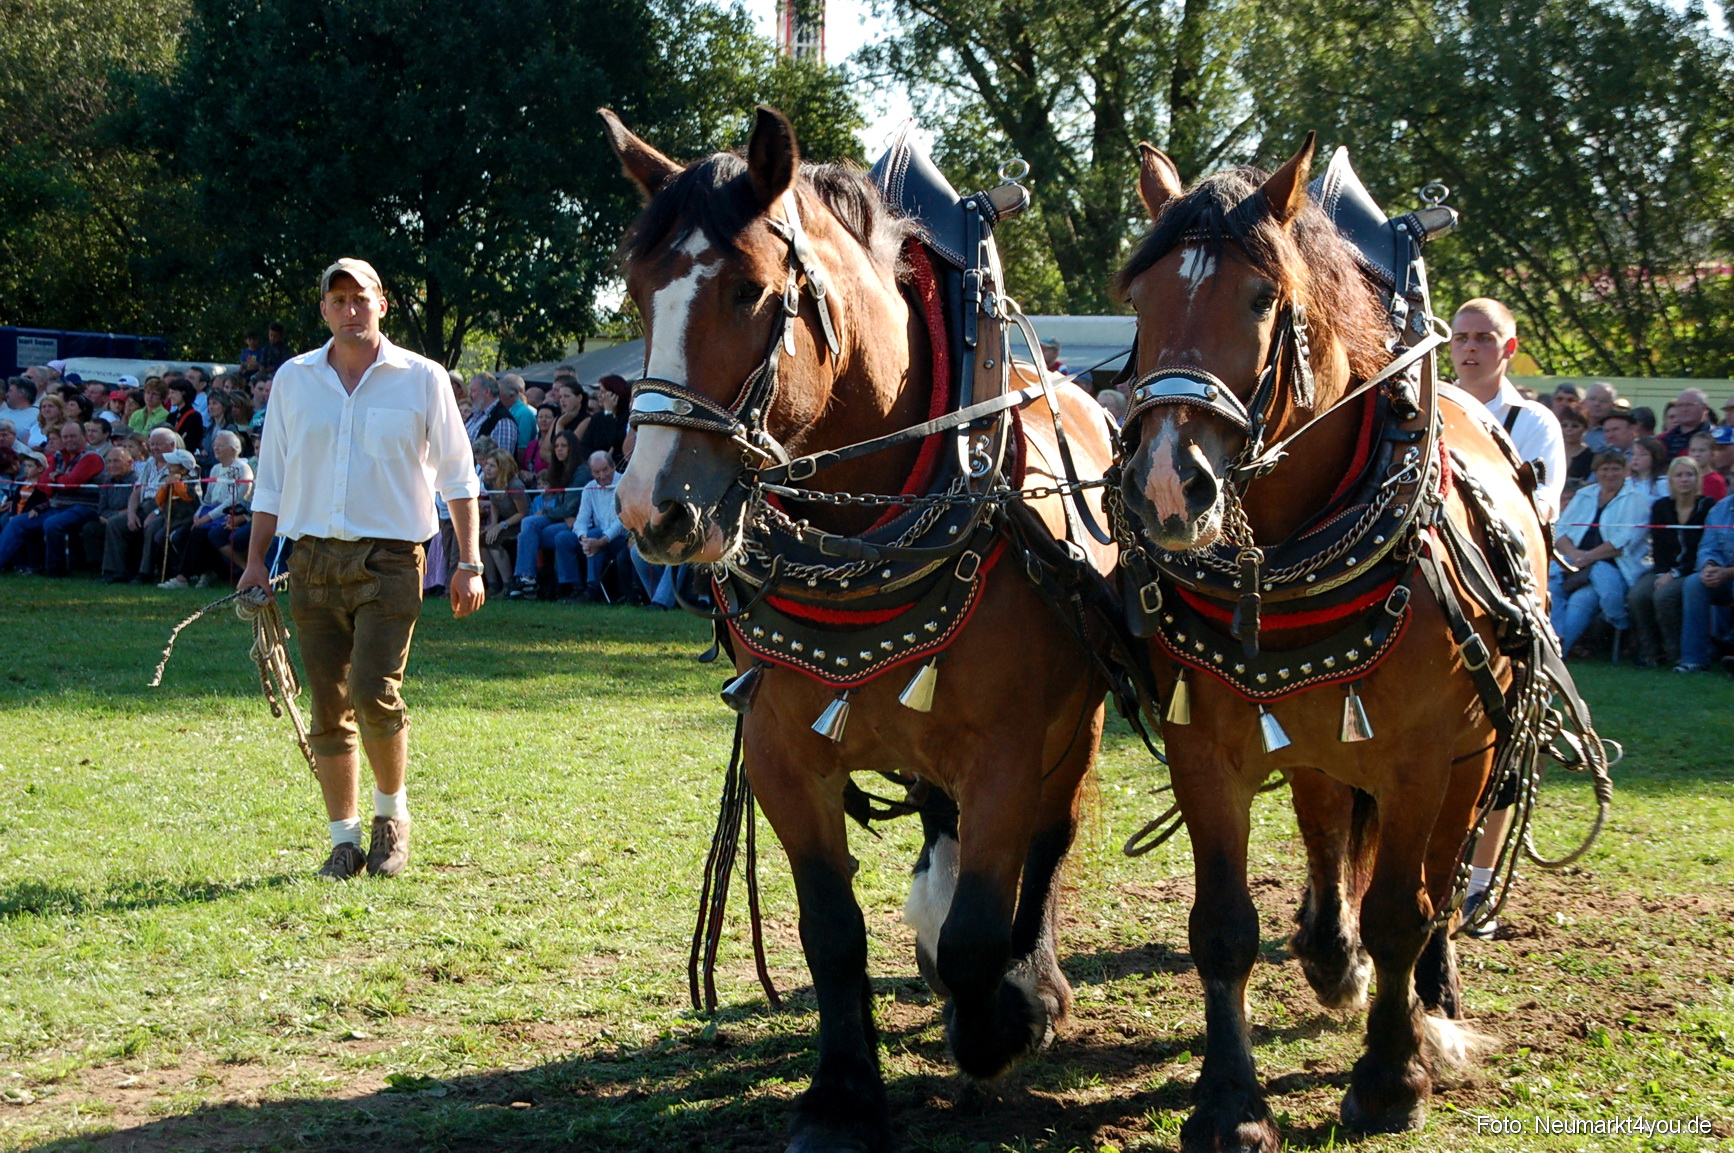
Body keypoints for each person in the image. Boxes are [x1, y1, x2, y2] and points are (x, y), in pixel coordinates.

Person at [239, 257, 484, 881]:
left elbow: (459, 476)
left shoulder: (423, 378)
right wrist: (253, 563)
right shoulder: (294, 380)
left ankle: (391, 821)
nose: (351, 309)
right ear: (323, 309)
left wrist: (470, 563)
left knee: (374, 692)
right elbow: (271, 480)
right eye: (338, 299)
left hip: (392, 559)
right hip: (311, 559)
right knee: (327, 704)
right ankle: (343, 839)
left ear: (382, 305)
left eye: (362, 298)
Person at [1449, 299, 1566, 519]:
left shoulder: (1534, 420)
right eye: (1461, 338)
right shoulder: (1426, 412)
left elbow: (1543, 502)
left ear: (1510, 348)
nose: (1470, 347)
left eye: (1484, 338)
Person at [1550, 450, 1647, 656]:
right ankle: (1553, 642)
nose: (1610, 474)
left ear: (1625, 471)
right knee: (1550, 588)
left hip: (1612, 564)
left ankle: (1560, 652)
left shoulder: (1636, 499)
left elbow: (1624, 540)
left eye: (1615, 469)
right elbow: (1560, 529)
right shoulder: (1585, 495)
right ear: (1596, 471)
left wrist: (1588, 557)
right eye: (1605, 469)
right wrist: (1576, 554)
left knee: (1582, 600)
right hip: (1574, 561)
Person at [1625, 456, 1712, 669]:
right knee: (1637, 595)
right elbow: (1659, 547)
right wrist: (1663, 573)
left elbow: (1703, 547)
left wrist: (1674, 573)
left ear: (1697, 479)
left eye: (1689, 475)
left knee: (1664, 596)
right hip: (1662, 568)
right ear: (1671, 480)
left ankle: (1676, 652)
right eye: (1679, 475)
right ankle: (1651, 653)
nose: (1684, 480)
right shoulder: (1661, 507)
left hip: (1692, 570)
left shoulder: (1707, 506)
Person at [161, 430, 254, 589]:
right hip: (210, 512)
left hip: (230, 513)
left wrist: (208, 517)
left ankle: (182, 577)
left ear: (233, 449)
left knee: (200, 533)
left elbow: (234, 500)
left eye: (221, 446)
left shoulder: (241, 469)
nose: (216, 449)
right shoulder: (215, 469)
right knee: (182, 534)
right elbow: (208, 499)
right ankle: (206, 571)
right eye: (215, 445)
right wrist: (198, 515)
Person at [101, 427, 183, 583]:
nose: (154, 448)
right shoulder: (150, 463)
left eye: (159, 444)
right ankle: (115, 571)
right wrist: (131, 513)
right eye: (152, 444)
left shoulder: (180, 464)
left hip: (168, 509)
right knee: (116, 523)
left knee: (152, 527)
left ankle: (144, 573)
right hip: (144, 506)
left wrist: (156, 513)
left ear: (172, 445)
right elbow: (137, 491)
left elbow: (175, 496)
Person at [510, 430, 585, 600]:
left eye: (563, 446)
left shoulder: (581, 472)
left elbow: (570, 508)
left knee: (529, 535)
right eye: (556, 446)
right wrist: (560, 513)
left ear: (572, 448)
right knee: (529, 523)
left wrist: (546, 511)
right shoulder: (558, 470)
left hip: (578, 522)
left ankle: (526, 580)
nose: (559, 449)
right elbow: (563, 508)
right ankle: (527, 578)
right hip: (563, 518)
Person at [1677, 492, 1734, 673]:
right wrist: (1709, 566)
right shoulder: (1720, 509)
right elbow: (1709, 545)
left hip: (1727, 574)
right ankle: (1694, 659)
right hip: (1723, 575)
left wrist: (1727, 572)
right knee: (1694, 583)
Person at [573, 449, 627, 602]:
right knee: (563, 538)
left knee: (595, 533)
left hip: (619, 539)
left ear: (613, 467)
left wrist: (602, 540)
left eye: (605, 470)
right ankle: (572, 588)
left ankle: (592, 589)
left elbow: (622, 521)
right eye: (596, 472)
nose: (602, 476)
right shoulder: (589, 488)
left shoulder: (624, 484)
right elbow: (581, 520)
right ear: (591, 472)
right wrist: (583, 538)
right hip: (595, 540)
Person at [81, 447, 139, 581]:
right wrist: (109, 516)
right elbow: (102, 509)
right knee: (90, 528)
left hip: (130, 520)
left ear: (130, 463)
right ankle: (96, 569)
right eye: (109, 462)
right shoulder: (107, 482)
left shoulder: (137, 481)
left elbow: (135, 507)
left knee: (115, 525)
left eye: (116, 461)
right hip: (108, 519)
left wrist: (115, 516)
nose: (112, 466)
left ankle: (116, 572)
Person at [478, 449, 528, 595]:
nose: (487, 468)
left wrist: (501, 526)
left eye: (492, 466)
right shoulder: (489, 483)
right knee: (482, 539)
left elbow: (523, 513)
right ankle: (493, 584)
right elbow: (494, 502)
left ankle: (508, 585)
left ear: (502, 468)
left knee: (494, 541)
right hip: (503, 521)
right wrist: (493, 523)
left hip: (519, 523)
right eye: (487, 464)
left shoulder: (515, 486)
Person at [463, 373, 518, 457]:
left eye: (473, 391)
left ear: (487, 391)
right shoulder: (476, 415)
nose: (469, 395)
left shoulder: (503, 421)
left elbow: (501, 462)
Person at [1662, 388, 1714, 459]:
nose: (1684, 409)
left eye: (1689, 405)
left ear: (1704, 408)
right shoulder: (1665, 439)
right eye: (1680, 405)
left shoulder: (1714, 436)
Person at [499, 374, 536, 465]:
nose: (497, 399)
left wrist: (516, 469)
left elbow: (522, 448)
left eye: (500, 396)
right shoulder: (509, 411)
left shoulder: (523, 414)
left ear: (511, 396)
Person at [1623, 436, 1668, 502]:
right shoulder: (1626, 483)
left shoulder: (1663, 483)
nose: (1635, 458)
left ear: (1655, 457)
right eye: (1633, 454)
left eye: (1643, 454)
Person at [1687, 431, 1728, 502]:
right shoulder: (1684, 478)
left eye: (1702, 451)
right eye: (1693, 450)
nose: (1696, 455)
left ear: (1713, 453)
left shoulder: (1715, 481)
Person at [3, 378, 42, 448]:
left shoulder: (38, 415)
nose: (6, 394)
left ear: (21, 393)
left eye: (10, 391)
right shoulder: (2, 414)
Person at [1581, 382, 1617, 450]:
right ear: (1584, 402)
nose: (1597, 404)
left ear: (1612, 406)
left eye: (1603, 401)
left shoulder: (1615, 433)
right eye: (1592, 399)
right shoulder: (1571, 428)